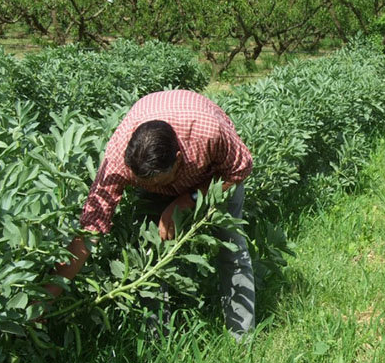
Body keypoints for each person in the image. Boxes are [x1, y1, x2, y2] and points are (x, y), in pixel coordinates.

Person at [46, 89, 255, 339]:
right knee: (149, 254)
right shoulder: (118, 159)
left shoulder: (209, 132)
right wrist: (47, 296)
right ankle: (156, 339)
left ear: (178, 160)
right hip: (163, 157)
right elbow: (90, 228)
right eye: (146, 181)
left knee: (230, 246)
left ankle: (242, 337)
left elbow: (239, 170)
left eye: (159, 182)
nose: (157, 189)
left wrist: (186, 200)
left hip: (213, 177)